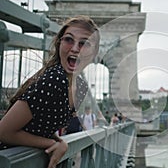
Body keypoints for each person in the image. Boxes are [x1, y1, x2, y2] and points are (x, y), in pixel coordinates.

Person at [0, 15, 100, 168]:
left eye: (84, 43)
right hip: (10, 159)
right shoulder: (54, 80)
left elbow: (42, 123)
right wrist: (53, 143)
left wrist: (59, 141)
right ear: (59, 43)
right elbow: (3, 132)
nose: (74, 48)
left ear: (94, 53)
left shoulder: (80, 86)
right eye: (68, 39)